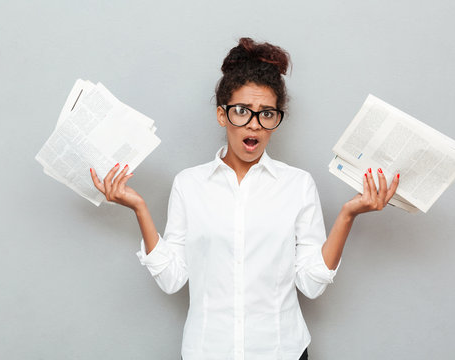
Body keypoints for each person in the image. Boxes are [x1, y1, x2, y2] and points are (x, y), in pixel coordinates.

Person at [89, 37, 399, 360]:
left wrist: (348, 214)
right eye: (242, 111)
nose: (254, 124)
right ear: (222, 115)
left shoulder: (298, 185)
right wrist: (139, 208)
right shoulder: (189, 185)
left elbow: (311, 284)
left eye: (267, 114)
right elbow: (172, 279)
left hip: (281, 352)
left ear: (276, 120)